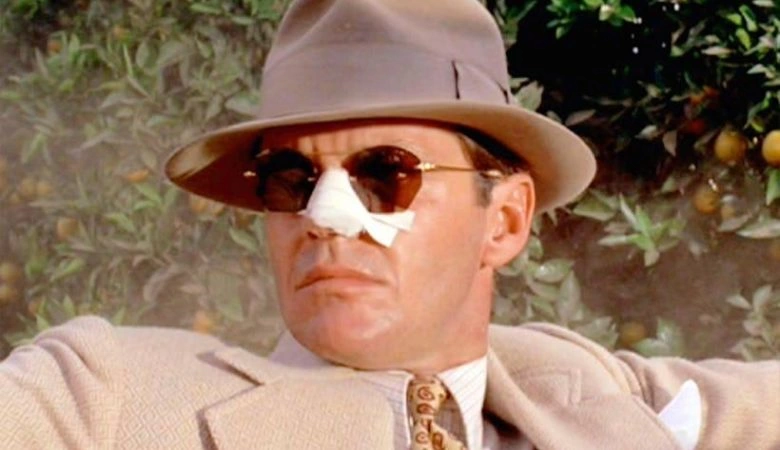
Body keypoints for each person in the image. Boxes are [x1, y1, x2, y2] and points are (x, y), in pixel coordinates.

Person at [1, 0, 778, 449]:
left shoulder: (590, 387)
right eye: (291, 180)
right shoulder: (101, 396)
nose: (322, 217)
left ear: (505, 220)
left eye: (385, 174)